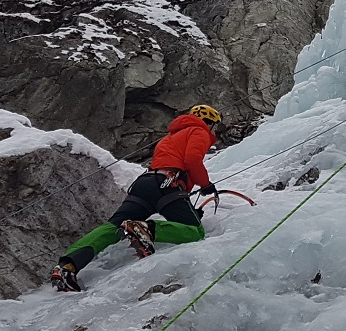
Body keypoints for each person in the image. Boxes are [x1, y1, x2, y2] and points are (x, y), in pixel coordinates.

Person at [51, 104, 223, 291]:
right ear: (210, 123)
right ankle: (145, 228)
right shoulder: (199, 131)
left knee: (114, 226)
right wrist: (205, 185)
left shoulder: (170, 137)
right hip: (167, 185)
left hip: (145, 183)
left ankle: (67, 266)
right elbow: (192, 160)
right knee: (195, 231)